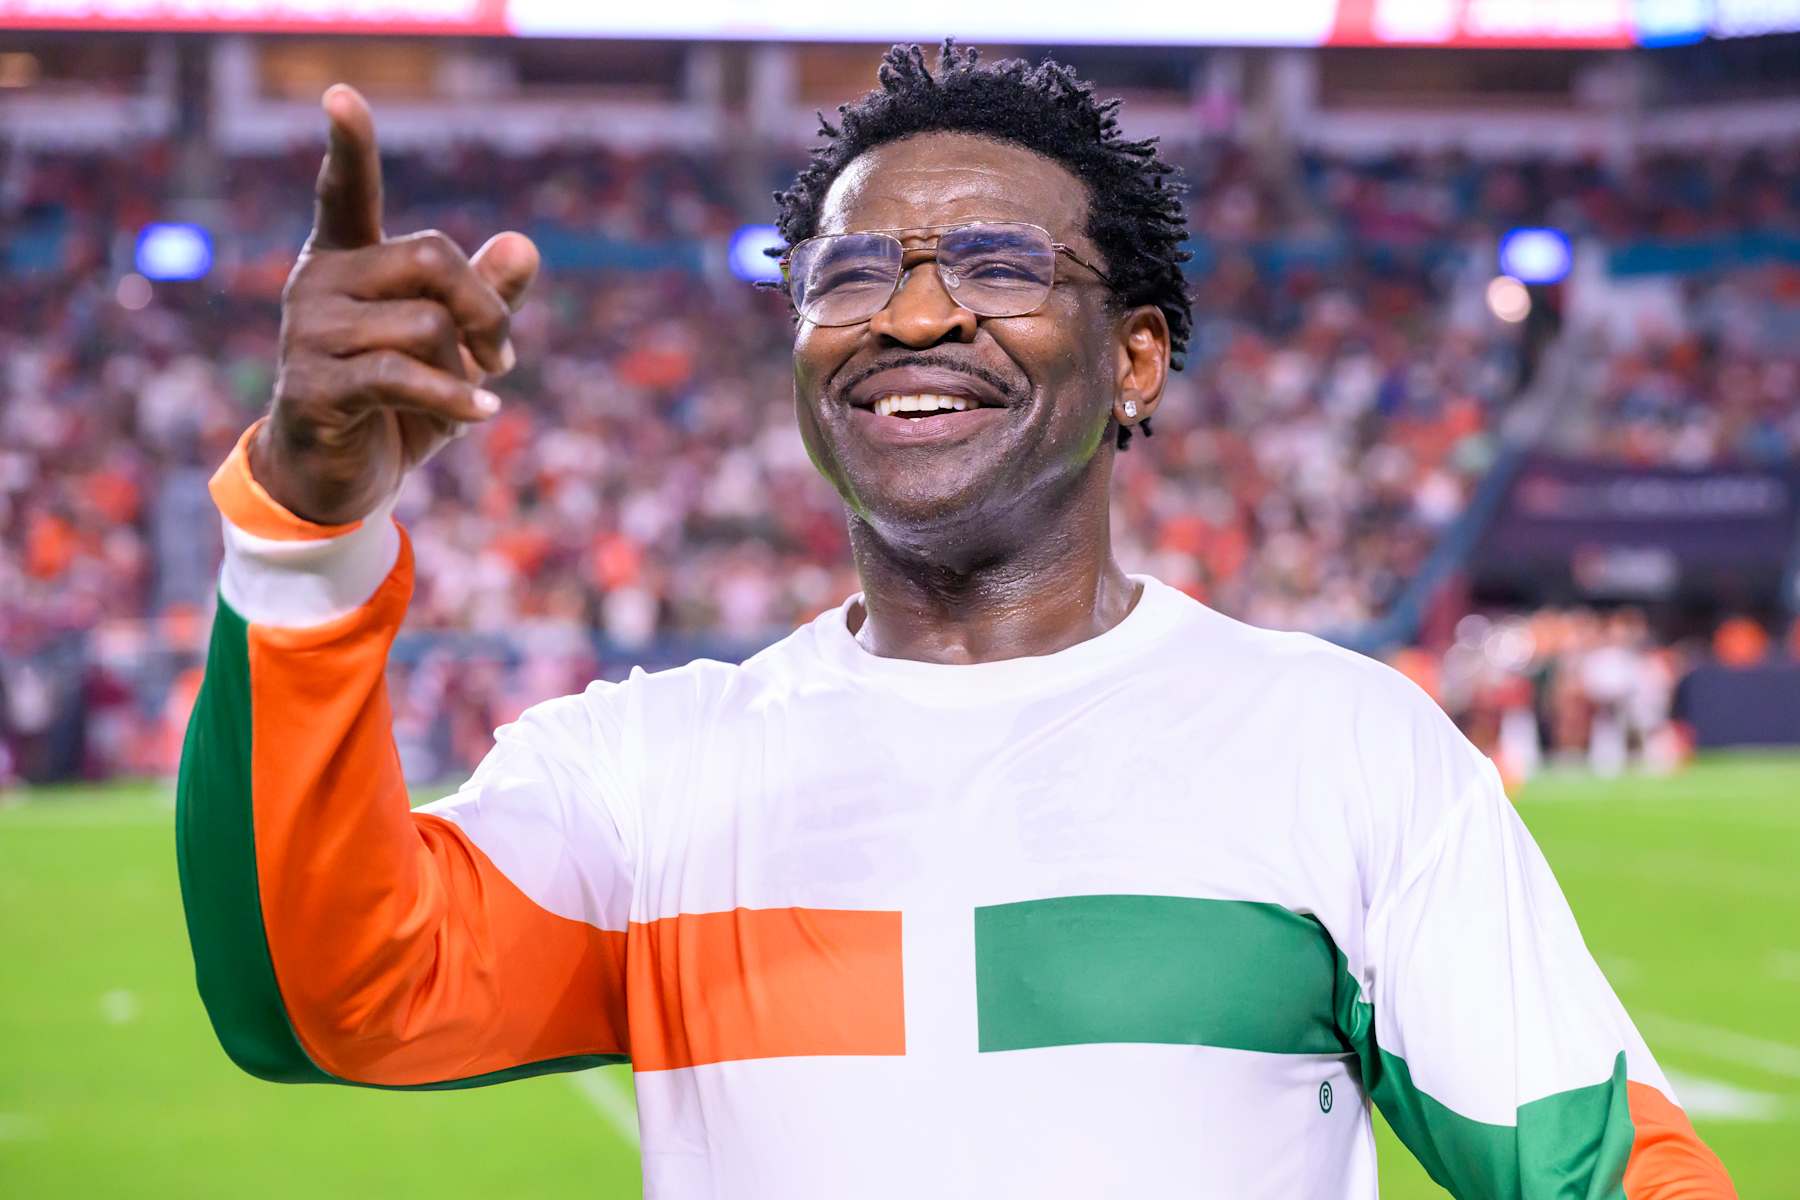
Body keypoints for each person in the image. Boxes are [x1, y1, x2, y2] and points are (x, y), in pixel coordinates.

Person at [176, 44, 1733, 1199]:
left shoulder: (1342, 745)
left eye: (999, 262)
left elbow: (1600, 1169)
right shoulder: (643, 773)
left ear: (1135, 359)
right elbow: (324, 999)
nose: (914, 313)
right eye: (849, 274)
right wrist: (308, 530)